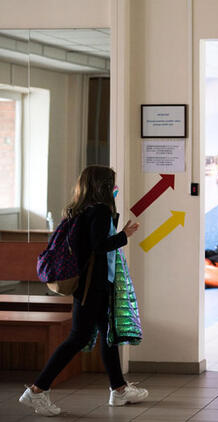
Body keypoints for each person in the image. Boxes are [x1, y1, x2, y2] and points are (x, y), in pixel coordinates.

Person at [19, 165, 148, 416]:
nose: (115, 188)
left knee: (107, 334)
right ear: (103, 186)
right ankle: (36, 391)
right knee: (78, 337)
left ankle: (119, 389)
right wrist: (124, 234)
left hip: (94, 285)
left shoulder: (80, 210)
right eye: (112, 184)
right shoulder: (98, 211)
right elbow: (100, 246)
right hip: (93, 287)